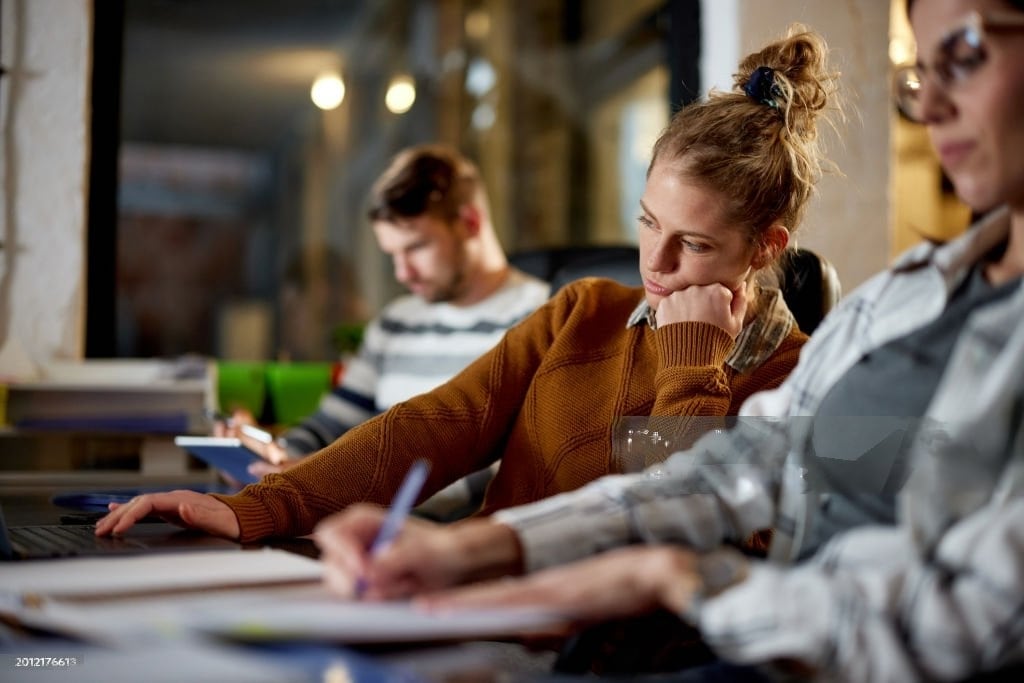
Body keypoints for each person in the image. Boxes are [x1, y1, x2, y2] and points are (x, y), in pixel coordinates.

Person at [313, 8, 1024, 682]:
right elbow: (740, 470)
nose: (926, 106)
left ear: (761, 248)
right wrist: (468, 546)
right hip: (564, 625)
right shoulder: (899, 294)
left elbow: (963, 616)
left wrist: (672, 572)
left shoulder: (796, 359)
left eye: (964, 55)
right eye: (921, 73)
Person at [95, 22, 836, 546]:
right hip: (460, 605)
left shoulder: (801, 377)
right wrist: (255, 508)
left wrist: (691, 368)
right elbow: (434, 423)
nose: (655, 263)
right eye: (647, 223)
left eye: (694, 243)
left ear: (766, 246)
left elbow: (677, 529)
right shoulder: (583, 313)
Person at [220, 144, 550, 515]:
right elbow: (329, 427)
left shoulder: (542, 319)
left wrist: (332, 484)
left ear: (470, 223)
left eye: (416, 247)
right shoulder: (396, 322)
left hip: (460, 543)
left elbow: (502, 469)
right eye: (392, 254)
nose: (402, 273)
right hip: (369, 528)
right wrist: (270, 459)